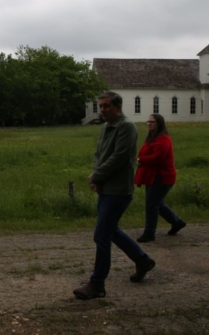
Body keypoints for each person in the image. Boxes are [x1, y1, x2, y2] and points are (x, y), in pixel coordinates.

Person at [73, 92, 156, 300]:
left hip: (119, 190)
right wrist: (96, 179)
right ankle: (142, 260)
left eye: (106, 106)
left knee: (102, 235)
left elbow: (119, 158)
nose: (102, 110)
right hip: (106, 187)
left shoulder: (126, 126)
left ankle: (97, 284)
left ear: (118, 107)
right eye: (100, 106)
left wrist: (96, 176)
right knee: (111, 230)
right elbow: (99, 154)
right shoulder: (104, 127)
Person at [134, 114, 186, 243]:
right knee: (157, 203)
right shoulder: (151, 138)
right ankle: (177, 222)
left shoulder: (163, 139)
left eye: (152, 122)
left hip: (162, 177)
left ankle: (149, 233)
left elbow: (158, 157)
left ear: (159, 124)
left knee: (152, 205)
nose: (149, 124)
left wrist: (141, 160)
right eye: (148, 121)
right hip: (152, 176)